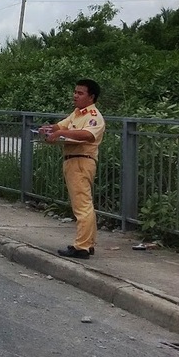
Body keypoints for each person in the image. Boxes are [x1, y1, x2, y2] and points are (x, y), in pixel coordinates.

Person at [40, 79, 105, 259]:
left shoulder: (93, 115)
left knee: (82, 204)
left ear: (91, 97)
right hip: (73, 160)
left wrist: (61, 133)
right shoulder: (77, 113)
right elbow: (62, 125)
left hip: (81, 161)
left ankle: (81, 247)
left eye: (80, 93)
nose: (75, 96)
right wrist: (50, 129)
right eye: (75, 92)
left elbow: (87, 135)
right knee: (84, 203)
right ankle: (88, 242)